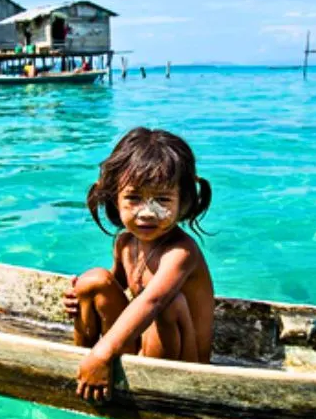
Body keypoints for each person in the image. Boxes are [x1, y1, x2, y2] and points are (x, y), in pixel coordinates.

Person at [63, 128, 214, 402]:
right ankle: (81, 365)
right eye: (134, 198)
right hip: (140, 348)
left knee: (168, 301)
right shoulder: (124, 243)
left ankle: (106, 364)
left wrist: (104, 350)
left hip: (184, 363)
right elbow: (114, 288)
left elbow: (152, 301)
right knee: (92, 280)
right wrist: (78, 297)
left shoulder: (180, 252)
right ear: (114, 197)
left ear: (183, 202)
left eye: (162, 200)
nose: (147, 213)